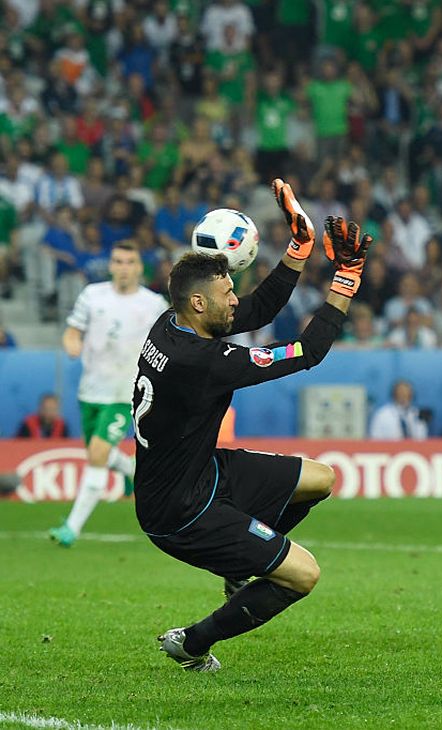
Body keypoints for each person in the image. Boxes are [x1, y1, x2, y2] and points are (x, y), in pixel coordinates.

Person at [134, 179, 372, 672]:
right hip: (180, 511)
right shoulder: (205, 362)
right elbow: (308, 352)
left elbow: (258, 308)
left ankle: (240, 564)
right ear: (200, 304)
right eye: (227, 294)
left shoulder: (172, 323)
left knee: (320, 479)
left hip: (201, 472)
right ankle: (193, 643)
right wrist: (346, 276)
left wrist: (299, 249)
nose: (235, 300)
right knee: (303, 575)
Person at [49, 241, 168, 547]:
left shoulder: (153, 303)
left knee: (98, 455)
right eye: (118, 261)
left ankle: (71, 529)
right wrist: (72, 342)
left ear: (139, 267)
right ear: (111, 265)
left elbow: (166, 343)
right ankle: (129, 468)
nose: (124, 267)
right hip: (91, 390)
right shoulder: (92, 295)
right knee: (96, 453)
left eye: (130, 261)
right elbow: (73, 330)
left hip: (125, 392)